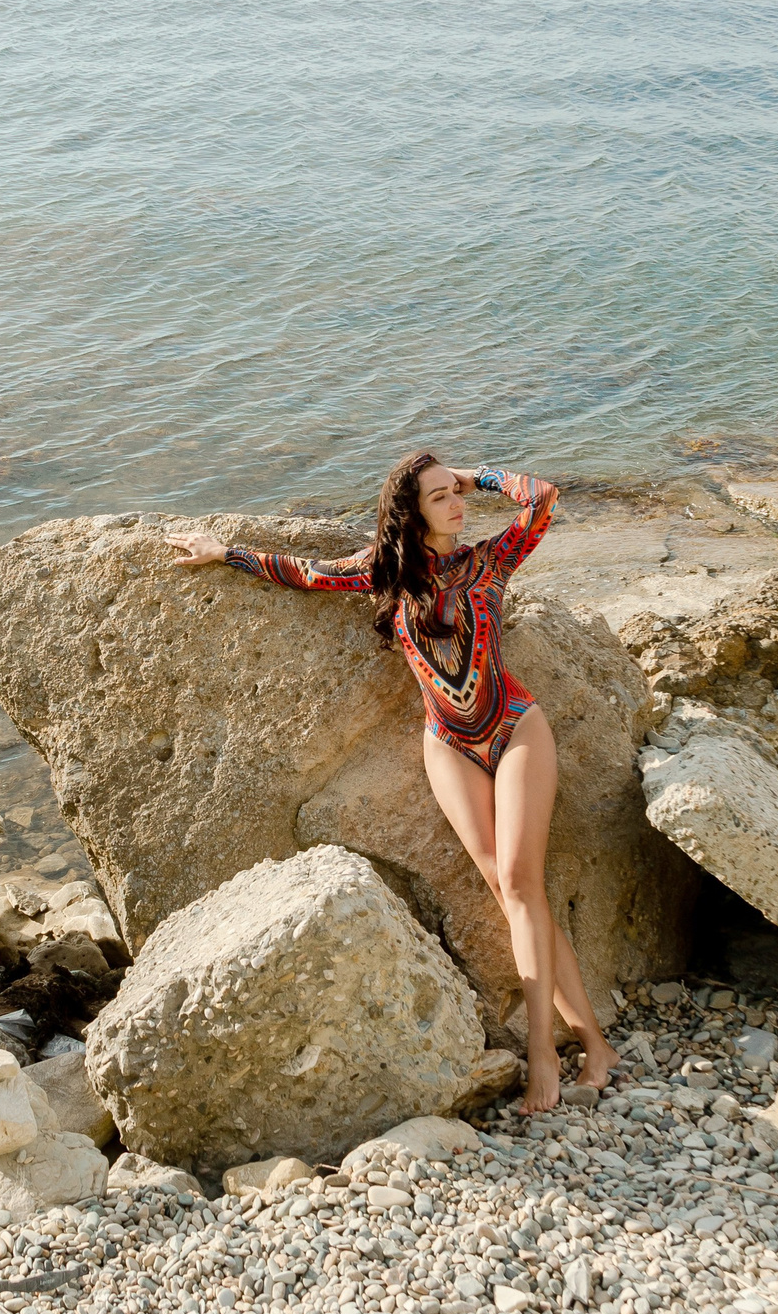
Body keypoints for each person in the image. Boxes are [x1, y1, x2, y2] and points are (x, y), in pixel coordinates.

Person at [164, 452, 615, 1113]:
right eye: (440, 498)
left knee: (520, 883)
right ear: (410, 513)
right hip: (449, 743)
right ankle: (594, 1046)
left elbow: (543, 496)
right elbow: (302, 572)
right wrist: (223, 552)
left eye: (454, 495)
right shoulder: (382, 569)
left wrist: (473, 473)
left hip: (515, 726)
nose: (457, 506)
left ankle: (546, 1051)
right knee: (511, 889)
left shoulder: (490, 560)